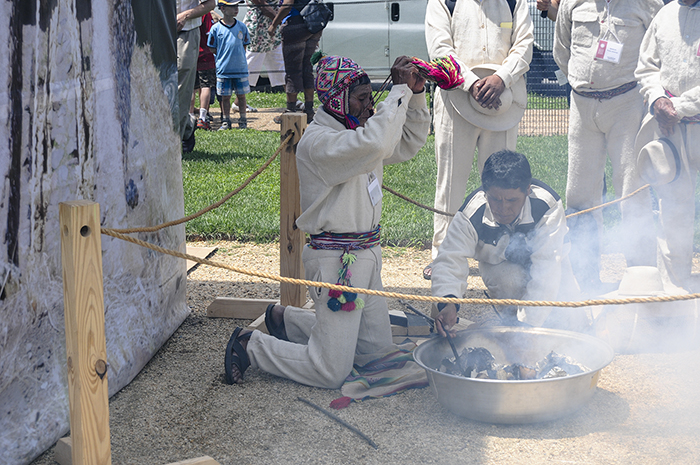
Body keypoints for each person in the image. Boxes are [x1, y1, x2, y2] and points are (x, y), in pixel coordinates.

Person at [224, 55, 430, 387]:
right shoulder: (319, 142)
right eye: (361, 98)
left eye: (369, 96)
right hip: (338, 264)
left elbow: (406, 143)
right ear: (336, 100)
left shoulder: (358, 133)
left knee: (375, 354)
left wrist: (416, 95)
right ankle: (252, 345)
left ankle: (285, 320)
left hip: (366, 255)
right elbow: (378, 142)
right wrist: (400, 91)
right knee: (331, 370)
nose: (369, 106)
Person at [553, 0, 662, 295]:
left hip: (628, 103)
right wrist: (583, 82)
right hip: (581, 104)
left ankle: (641, 282)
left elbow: (658, 49)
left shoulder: (647, 4)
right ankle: (584, 279)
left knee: (632, 192)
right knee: (579, 194)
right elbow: (562, 50)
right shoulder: (572, 3)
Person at [424, 0, 534, 279]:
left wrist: (501, 78)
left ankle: (498, 251)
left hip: (502, 103)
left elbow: (524, 45)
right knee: (451, 182)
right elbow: (440, 49)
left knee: (502, 182)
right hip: (456, 102)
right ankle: (443, 255)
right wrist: (472, 83)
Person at [431, 150, 582, 331]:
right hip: (500, 269)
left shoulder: (546, 207)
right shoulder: (472, 213)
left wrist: (529, 324)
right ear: (485, 191)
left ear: (528, 190)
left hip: (553, 266)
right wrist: (449, 304)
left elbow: (547, 270)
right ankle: (511, 323)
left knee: (572, 324)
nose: (503, 208)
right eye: (495, 199)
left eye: (512, 200)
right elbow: (449, 259)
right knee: (510, 281)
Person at [634, 0, 700, 290]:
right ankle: (675, 291)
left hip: (675, 117)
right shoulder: (664, 15)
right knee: (674, 209)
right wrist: (657, 99)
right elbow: (646, 67)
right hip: (672, 128)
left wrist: (677, 106)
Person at [268, 0, 322, 123]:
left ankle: (290, 111)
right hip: (313, 24)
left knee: (293, 69)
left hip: (295, 24)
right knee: (307, 68)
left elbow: (287, 4)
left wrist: (274, 24)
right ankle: (309, 110)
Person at [177, 0, 216, 152]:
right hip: (157, 32)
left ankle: (174, 142)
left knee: (181, 89)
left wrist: (184, 16)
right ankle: (187, 126)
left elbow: (210, 4)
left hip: (186, 30)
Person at [207, 0, 251, 130]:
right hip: (223, 70)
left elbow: (245, 44)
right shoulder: (215, 28)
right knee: (225, 97)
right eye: (232, 7)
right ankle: (226, 121)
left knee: (241, 97)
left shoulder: (242, 27)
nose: (236, 9)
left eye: (237, 6)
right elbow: (212, 48)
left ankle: (243, 121)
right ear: (222, 8)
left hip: (240, 69)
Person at [244, 0, 286, 91]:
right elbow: (262, 5)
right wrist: (280, 21)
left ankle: (292, 98)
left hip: (273, 29)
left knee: (279, 63)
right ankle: (239, 101)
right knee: (250, 66)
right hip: (258, 30)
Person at [190, 11, 217, 131]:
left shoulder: (188, 11)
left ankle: (189, 116)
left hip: (190, 53)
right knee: (205, 86)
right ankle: (202, 118)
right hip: (206, 54)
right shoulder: (205, 13)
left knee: (191, 87)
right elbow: (209, 33)